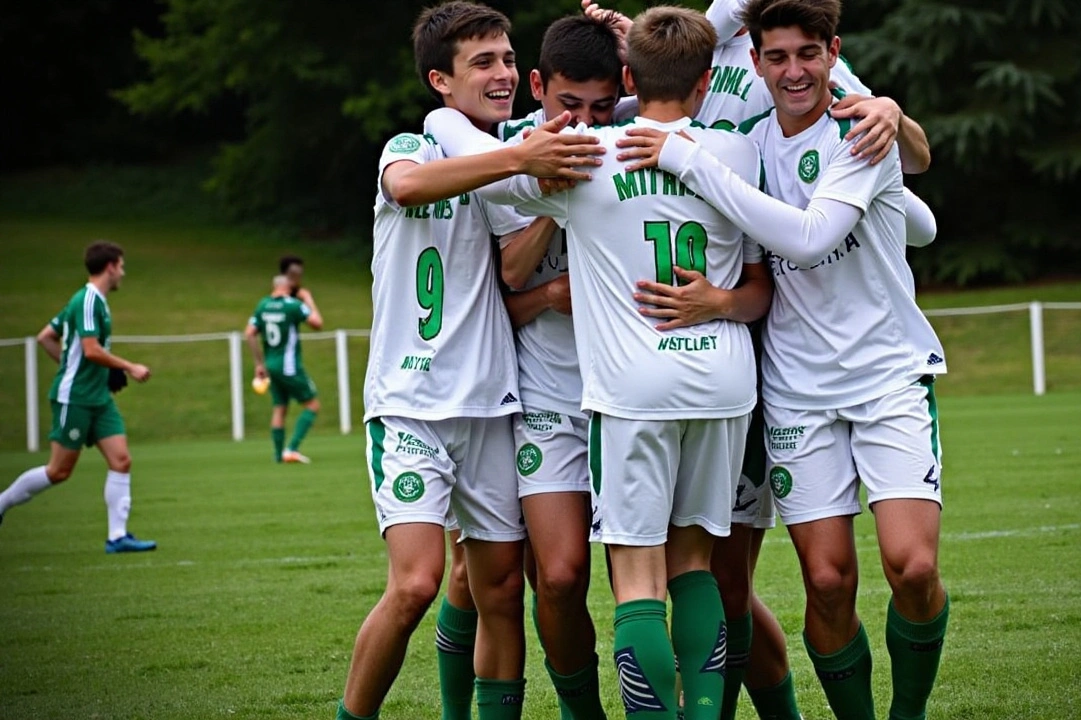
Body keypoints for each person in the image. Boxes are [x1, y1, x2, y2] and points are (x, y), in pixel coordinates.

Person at [432, 8, 771, 720]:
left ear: (624, 82)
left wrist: (528, 169)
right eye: (567, 105)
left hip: (629, 391)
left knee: (639, 578)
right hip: (710, 383)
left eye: (599, 103)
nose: (582, 118)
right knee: (682, 569)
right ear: (704, 81)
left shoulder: (584, 158)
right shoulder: (736, 152)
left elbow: (471, 175)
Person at [618, 0, 952, 718]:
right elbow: (653, 96)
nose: (793, 70)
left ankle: (909, 712)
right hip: (796, 389)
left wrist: (893, 121)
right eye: (777, 57)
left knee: (914, 567)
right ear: (755, 60)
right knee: (827, 584)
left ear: (834, 52)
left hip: (888, 374)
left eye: (807, 54)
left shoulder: (859, 126)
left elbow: (809, 237)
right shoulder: (746, 144)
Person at [334, 3, 606, 720]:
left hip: (492, 409)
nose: (503, 73)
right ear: (440, 82)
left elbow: (516, 262)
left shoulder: (507, 168)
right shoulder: (413, 146)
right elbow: (405, 189)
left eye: (508, 59)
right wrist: (523, 159)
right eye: (483, 62)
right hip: (410, 407)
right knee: (418, 583)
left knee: (497, 597)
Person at [0, 242, 156, 554]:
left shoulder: (95, 301)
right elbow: (90, 350)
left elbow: (46, 336)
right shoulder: (86, 300)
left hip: (99, 398)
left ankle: (117, 537)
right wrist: (128, 366)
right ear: (110, 266)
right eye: (121, 266)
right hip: (75, 399)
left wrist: (79, 368)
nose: (123, 272)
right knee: (59, 471)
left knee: (121, 460)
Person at [245, 274, 324, 463]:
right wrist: (307, 298)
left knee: (280, 408)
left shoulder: (263, 305)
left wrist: (259, 364)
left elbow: (249, 333)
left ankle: (278, 455)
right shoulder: (292, 305)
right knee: (312, 405)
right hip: (289, 366)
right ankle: (291, 449)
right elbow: (317, 323)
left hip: (270, 366)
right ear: (289, 288)